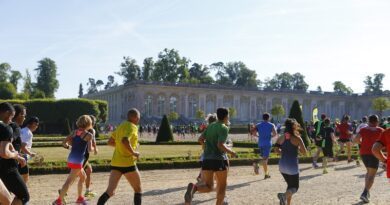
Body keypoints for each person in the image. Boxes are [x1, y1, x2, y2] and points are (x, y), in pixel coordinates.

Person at [184, 107, 237, 205]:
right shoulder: (224, 127)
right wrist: (232, 152)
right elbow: (220, 145)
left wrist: (206, 147)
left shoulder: (211, 126)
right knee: (221, 188)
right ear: (226, 116)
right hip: (219, 159)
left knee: (209, 187)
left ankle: (194, 188)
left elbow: (200, 139)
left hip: (207, 159)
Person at [97, 108, 142, 205]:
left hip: (116, 163)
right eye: (138, 118)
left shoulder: (121, 126)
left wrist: (123, 147)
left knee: (110, 191)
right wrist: (134, 152)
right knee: (138, 190)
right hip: (128, 163)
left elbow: (110, 142)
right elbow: (125, 140)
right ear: (134, 118)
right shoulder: (132, 126)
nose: (139, 120)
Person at [53, 115, 94, 205]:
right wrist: (93, 148)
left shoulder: (74, 132)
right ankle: (58, 201)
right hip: (78, 160)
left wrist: (70, 147)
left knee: (83, 177)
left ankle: (80, 198)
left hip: (71, 158)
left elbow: (64, 143)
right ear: (88, 123)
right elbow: (90, 149)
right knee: (69, 181)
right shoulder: (89, 135)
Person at [0, 102, 29, 204]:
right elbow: (4, 152)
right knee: (21, 197)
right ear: (7, 113)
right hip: (8, 167)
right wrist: (15, 155)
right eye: (11, 116)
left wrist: (17, 155)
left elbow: (8, 145)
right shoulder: (6, 128)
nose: (11, 120)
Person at [275, 118, 307, 205]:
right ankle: (283, 197)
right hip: (292, 166)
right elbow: (305, 152)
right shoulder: (297, 138)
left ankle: (287, 203)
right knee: (295, 187)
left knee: (290, 186)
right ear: (294, 126)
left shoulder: (281, 137)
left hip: (282, 165)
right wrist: (298, 149)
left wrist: (284, 153)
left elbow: (276, 150)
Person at [353, 115, 384, 203]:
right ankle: (365, 193)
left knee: (368, 172)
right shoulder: (380, 130)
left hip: (363, 153)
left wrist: (362, 142)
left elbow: (355, 140)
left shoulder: (363, 129)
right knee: (372, 175)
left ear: (369, 121)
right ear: (377, 121)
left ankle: (367, 192)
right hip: (374, 153)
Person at [252, 113, 277, 179]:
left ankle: (266, 174)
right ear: (268, 118)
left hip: (260, 143)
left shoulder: (258, 125)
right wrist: (270, 136)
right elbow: (275, 134)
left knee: (265, 159)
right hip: (267, 143)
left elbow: (254, 133)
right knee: (265, 159)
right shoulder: (271, 125)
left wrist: (258, 136)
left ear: (263, 118)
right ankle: (257, 163)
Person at [20, 116, 40, 182]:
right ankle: (22, 190)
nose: (37, 127)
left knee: (21, 175)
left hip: (18, 155)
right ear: (33, 124)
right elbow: (23, 147)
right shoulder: (28, 133)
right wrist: (30, 153)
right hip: (22, 156)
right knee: (25, 176)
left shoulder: (22, 130)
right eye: (37, 125)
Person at [83, 115, 98, 198]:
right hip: (84, 155)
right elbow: (93, 142)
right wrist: (95, 149)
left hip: (80, 154)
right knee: (74, 175)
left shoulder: (82, 130)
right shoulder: (92, 130)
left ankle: (87, 190)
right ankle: (64, 191)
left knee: (88, 170)